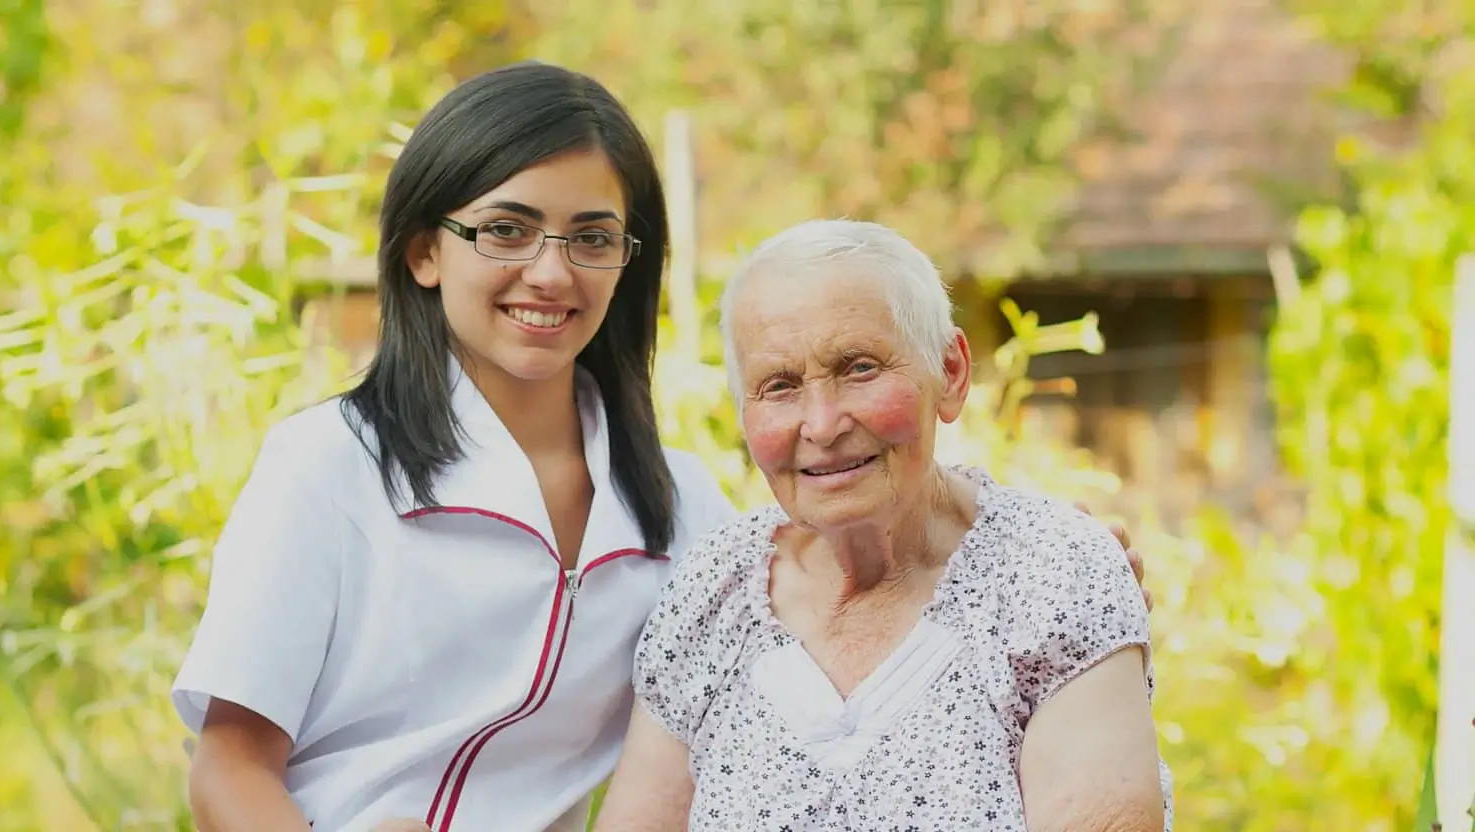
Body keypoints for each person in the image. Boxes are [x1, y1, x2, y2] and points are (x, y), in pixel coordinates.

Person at [169, 63, 1151, 832]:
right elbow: (228, 769)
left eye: (592, 236)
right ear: (425, 250)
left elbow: (843, 564)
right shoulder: (328, 471)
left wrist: (1063, 565)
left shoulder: (677, 508)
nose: (551, 272)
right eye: (506, 230)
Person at [592, 219, 1173, 831]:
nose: (820, 424)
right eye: (779, 386)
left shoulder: (1051, 576)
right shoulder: (716, 590)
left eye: (859, 369)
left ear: (949, 373)